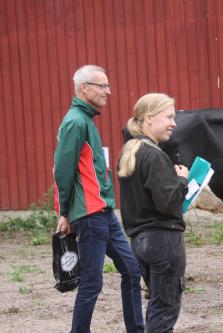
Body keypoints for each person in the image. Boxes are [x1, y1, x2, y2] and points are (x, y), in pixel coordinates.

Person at [54, 65, 144, 332]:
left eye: (108, 86)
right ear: (84, 88)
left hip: (103, 212)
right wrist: (65, 212)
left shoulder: (86, 120)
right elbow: (62, 170)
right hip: (90, 215)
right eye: (102, 86)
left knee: (132, 270)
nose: (109, 91)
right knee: (92, 283)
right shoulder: (75, 122)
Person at [117, 93, 189, 332]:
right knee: (163, 312)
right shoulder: (155, 155)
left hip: (140, 242)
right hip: (164, 241)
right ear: (149, 118)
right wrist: (182, 180)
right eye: (169, 116)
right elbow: (169, 204)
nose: (174, 123)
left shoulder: (130, 151)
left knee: (156, 308)